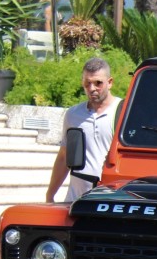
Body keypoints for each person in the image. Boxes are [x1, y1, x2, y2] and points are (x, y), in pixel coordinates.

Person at [46, 57, 120, 203]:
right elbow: (64, 156)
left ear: (110, 82)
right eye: (87, 83)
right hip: (76, 200)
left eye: (98, 83)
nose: (92, 88)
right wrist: (50, 194)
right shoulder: (73, 114)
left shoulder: (123, 112)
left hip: (111, 202)